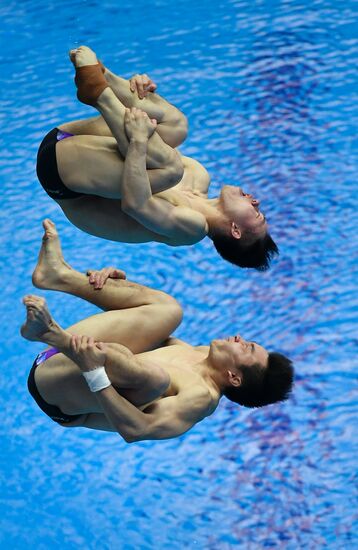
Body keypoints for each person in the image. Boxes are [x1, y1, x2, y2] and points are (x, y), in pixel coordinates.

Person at [21, 220, 293, 441]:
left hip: (54, 393)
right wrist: (120, 290)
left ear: (234, 377)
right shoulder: (194, 352)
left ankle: (52, 332)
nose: (239, 338)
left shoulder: (199, 398)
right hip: (58, 358)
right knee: (169, 311)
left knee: (155, 379)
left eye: (246, 348)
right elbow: (135, 325)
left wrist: (93, 372)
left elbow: (136, 430)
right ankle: (59, 275)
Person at [36, 46, 278, 270]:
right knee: (177, 127)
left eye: (257, 213)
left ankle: (99, 92)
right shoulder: (198, 178)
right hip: (69, 137)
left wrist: (140, 140)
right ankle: (103, 76)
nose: (255, 201)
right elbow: (144, 137)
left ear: (235, 229)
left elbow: (135, 203)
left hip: (61, 175)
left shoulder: (191, 228)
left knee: (170, 168)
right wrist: (142, 96)